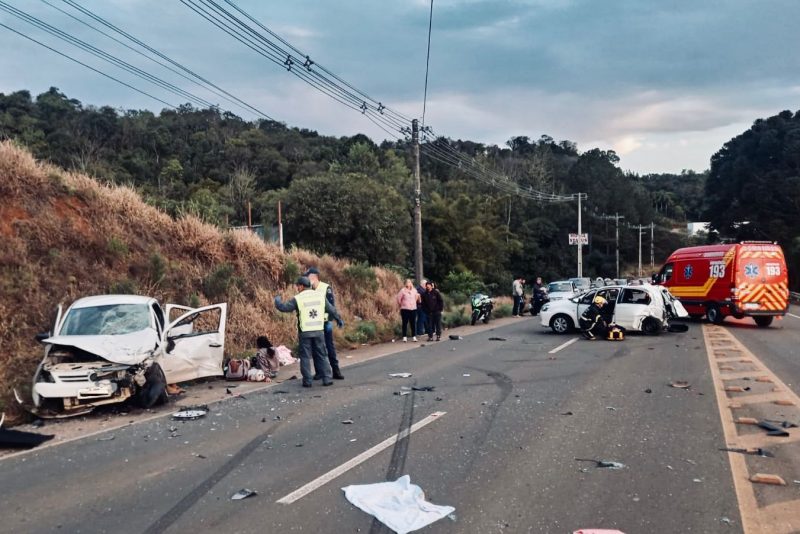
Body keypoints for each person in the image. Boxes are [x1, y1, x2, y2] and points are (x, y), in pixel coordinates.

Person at [275, 276, 344, 387]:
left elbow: (284, 308)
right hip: (318, 331)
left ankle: (307, 381)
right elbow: (332, 309)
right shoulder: (320, 296)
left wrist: (277, 301)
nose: (297, 288)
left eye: (298, 286)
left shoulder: (298, 298)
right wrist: (338, 319)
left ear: (302, 286)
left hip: (305, 332)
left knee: (305, 357)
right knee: (323, 354)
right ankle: (327, 379)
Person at [305, 267, 344, 380]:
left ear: (314, 276)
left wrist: (334, 319)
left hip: (325, 323)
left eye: (308, 276)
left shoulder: (325, 288)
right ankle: (319, 372)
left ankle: (336, 371)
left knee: (329, 347)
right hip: (314, 324)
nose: (307, 278)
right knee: (316, 349)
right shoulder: (309, 289)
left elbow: (331, 306)